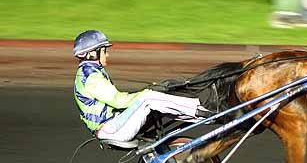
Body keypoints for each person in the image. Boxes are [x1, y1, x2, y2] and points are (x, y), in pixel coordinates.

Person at [73, 30, 212, 142]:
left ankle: (197, 114)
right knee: (148, 98)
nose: (107, 54)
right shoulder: (91, 76)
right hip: (111, 129)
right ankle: (201, 112)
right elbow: (119, 101)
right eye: (104, 51)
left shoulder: (89, 72)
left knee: (149, 98)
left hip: (113, 125)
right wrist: (146, 92)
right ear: (92, 53)